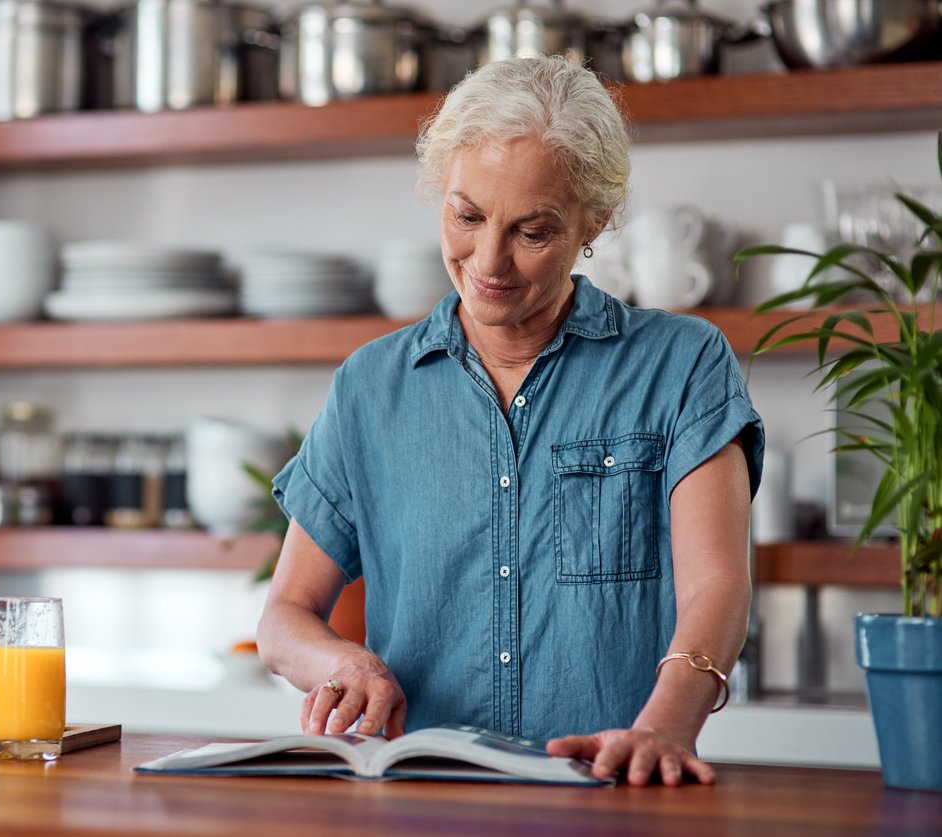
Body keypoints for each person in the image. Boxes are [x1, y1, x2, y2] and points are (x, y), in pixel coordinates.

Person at [255, 55, 764, 788]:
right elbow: (284, 617)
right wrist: (344, 661)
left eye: (533, 231)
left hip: (615, 793)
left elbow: (718, 586)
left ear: (595, 220)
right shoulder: (371, 387)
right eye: (466, 216)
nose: (488, 261)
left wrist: (665, 724)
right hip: (421, 797)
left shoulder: (681, 365)